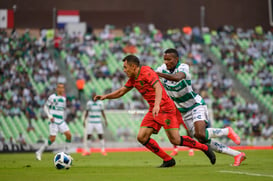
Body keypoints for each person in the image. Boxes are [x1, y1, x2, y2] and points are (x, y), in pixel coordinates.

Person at [94, 55, 215, 167]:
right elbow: (121, 91)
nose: (124, 70)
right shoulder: (133, 78)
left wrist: (157, 105)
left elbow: (158, 87)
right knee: (142, 137)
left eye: (125, 67)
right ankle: (168, 160)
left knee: (175, 140)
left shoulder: (146, 72)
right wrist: (105, 96)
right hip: (154, 109)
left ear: (133, 66)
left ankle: (204, 147)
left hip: (166, 108)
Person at [156, 48, 246, 166]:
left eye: (169, 59)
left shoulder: (183, 67)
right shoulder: (162, 69)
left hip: (195, 105)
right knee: (202, 139)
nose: (166, 62)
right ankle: (237, 154)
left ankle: (226, 131)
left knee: (201, 134)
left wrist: (158, 75)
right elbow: (152, 78)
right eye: (165, 59)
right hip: (183, 111)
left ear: (176, 59)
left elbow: (177, 77)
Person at [35, 83, 72, 161]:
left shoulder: (64, 98)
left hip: (61, 120)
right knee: (52, 139)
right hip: (54, 120)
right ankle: (39, 152)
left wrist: (64, 118)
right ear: (57, 89)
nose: (61, 89)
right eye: (60, 88)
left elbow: (62, 110)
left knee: (69, 135)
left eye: (62, 88)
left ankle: (66, 154)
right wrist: (50, 116)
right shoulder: (52, 97)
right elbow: (45, 107)